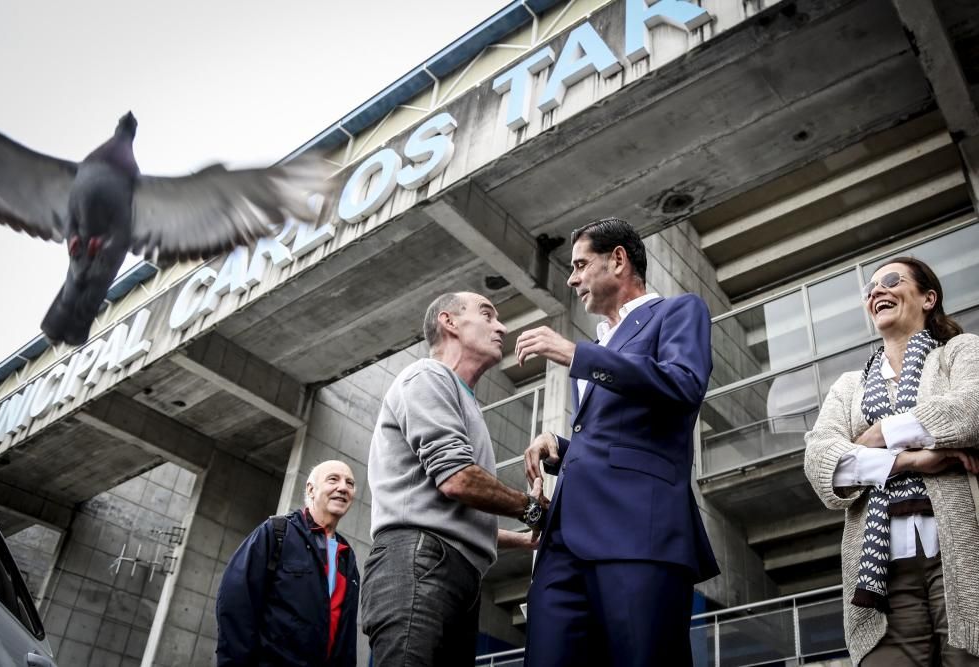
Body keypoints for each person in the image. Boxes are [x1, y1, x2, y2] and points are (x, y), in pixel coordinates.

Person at [516, 216, 719, 666]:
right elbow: (614, 438)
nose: (571, 279)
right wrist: (562, 445)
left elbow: (683, 385)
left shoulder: (677, 311)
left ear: (619, 260)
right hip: (564, 543)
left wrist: (577, 354)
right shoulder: (600, 344)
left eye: (580, 264)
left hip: (637, 533)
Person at [804, 257, 979, 666]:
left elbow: (971, 409)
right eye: (870, 287)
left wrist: (881, 434)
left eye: (891, 281)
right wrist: (915, 460)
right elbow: (821, 464)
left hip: (964, 557)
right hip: (880, 576)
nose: (876, 291)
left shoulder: (959, 353)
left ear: (928, 298)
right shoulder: (849, 387)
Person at [361, 291, 546, 667]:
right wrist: (532, 509)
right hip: (419, 564)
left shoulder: (463, 400)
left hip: (450, 570)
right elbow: (458, 480)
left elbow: (448, 513)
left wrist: (523, 540)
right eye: (488, 314)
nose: (502, 326)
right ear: (449, 322)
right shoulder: (428, 376)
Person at [216, 460, 360, 667]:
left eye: (350, 483)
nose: (343, 488)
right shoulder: (276, 533)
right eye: (333, 480)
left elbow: (346, 638)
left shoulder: (347, 558)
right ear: (311, 489)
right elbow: (235, 603)